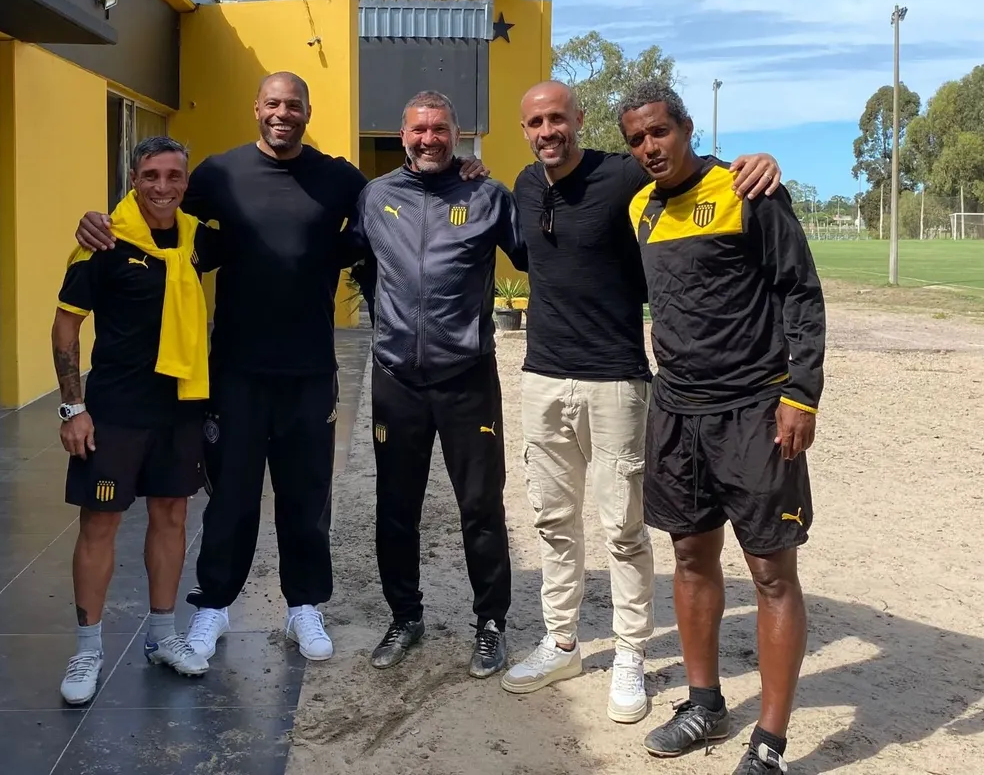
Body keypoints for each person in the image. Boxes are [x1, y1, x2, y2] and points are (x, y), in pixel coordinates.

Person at [72, 72, 488, 664]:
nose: (283, 113)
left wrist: (465, 172)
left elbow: (400, 206)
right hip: (235, 368)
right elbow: (153, 207)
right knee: (232, 494)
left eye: (294, 105)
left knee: (306, 494)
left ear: (308, 111)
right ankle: (213, 606)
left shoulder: (339, 178)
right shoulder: (219, 173)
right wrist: (99, 220)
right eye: (273, 103)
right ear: (256, 108)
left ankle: (304, 608)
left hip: (311, 368)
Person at [500, 79, 783, 726]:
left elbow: (688, 167)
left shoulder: (623, 172)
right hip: (542, 377)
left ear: (580, 118)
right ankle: (562, 642)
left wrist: (756, 162)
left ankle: (630, 653)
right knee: (552, 521)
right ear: (525, 129)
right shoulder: (523, 184)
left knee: (624, 529)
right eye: (535, 121)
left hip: (618, 381)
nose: (548, 131)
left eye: (558, 119)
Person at [619, 80, 825, 774]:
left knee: (770, 572)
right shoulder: (640, 208)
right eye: (637, 139)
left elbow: (801, 292)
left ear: (686, 129)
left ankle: (769, 744)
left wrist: (802, 393)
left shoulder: (748, 190)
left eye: (659, 132)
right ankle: (704, 703)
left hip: (754, 413)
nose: (650, 147)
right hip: (677, 413)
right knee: (688, 558)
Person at [338, 90, 528, 679]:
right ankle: (406, 616)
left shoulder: (487, 195)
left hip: (467, 378)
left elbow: (538, 254)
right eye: (419, 129)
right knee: (396, 507)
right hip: (396, 377)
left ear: (457, 134)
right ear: (402, 136)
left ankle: (491, 623)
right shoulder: (376, 197)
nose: (429, 139)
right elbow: (345, 258)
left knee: (480, 505)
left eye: (440, 129)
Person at [53, 136, 220, 704]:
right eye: (152, 175)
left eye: (175, 176)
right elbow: (66, 328)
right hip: (116, 411)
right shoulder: (102, 241)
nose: (163, 187)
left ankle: (163, 637)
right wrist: (73, 408)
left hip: (181, 406)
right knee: (100, 523)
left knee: (171, 516)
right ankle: (87, 649)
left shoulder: (198, 239)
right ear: (133, 178)